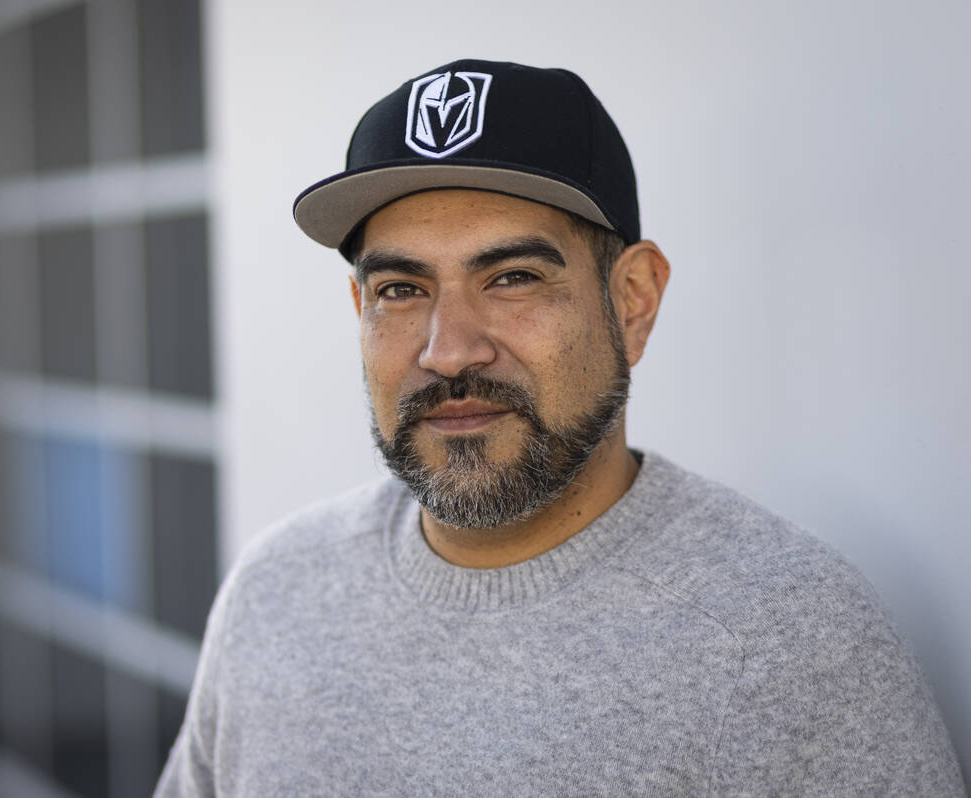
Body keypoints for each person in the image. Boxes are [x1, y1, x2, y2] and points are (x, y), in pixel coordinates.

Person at [156, 59, 965, 796]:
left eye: (512, 277)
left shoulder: (788, 640)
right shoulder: (277, 592)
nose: (449, 350)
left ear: (633, 302)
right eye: (401, 290)